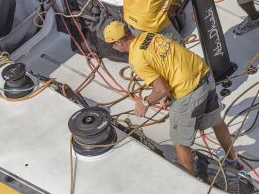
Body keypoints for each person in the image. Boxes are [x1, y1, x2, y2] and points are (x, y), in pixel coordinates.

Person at [102, 21, 242, 174]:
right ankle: (232, 160)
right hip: (205, 76)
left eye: (112, 45)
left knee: (179, 141)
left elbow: (161, 89)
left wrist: (145, 102)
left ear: (119, 42)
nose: (113, 48)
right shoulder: (148, 35)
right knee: (216, 121)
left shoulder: (136, 58)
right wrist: (166, 93)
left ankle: (191, 179)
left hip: (189, 91)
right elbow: (166, 63)